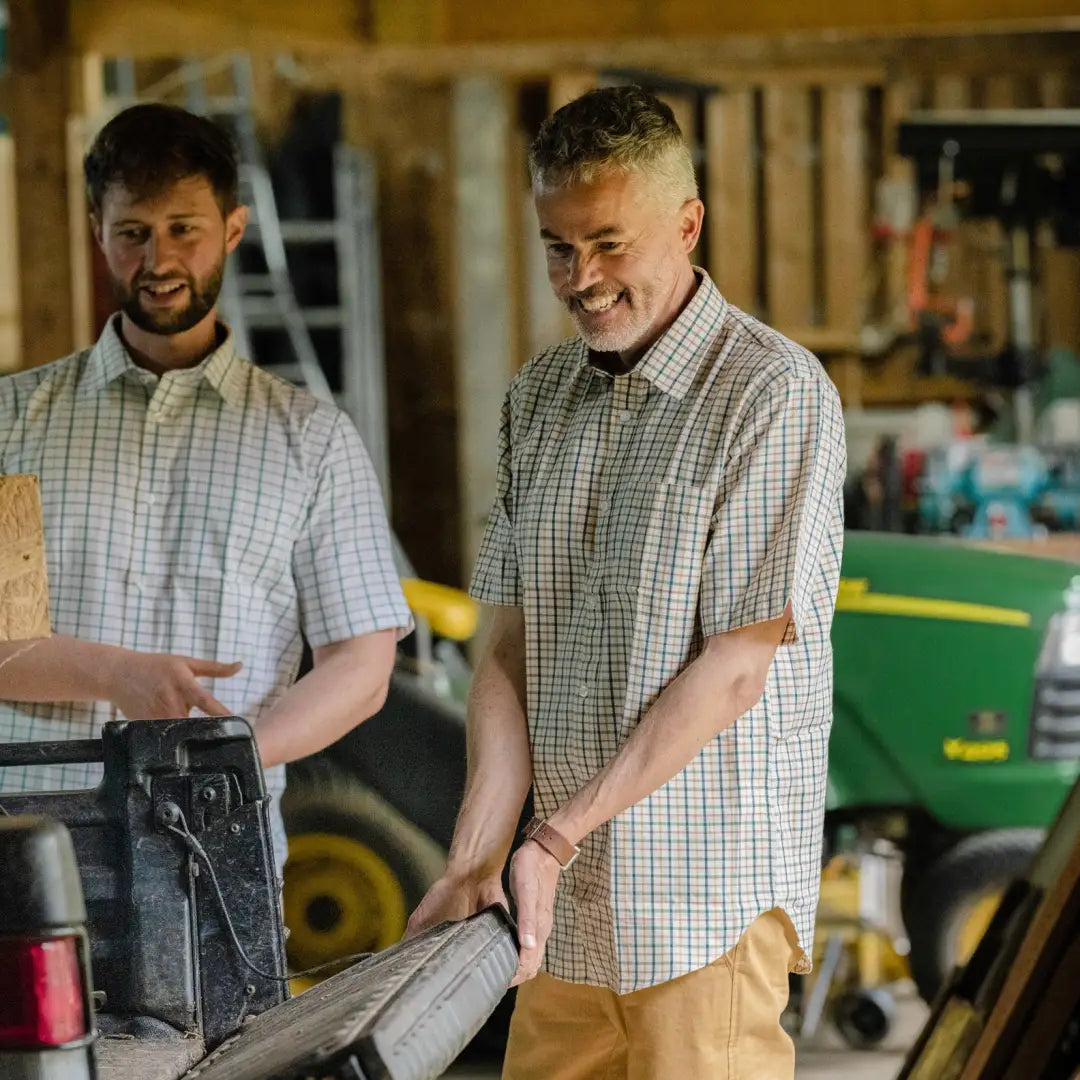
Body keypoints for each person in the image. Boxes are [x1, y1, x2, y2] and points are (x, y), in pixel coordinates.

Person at [406, 85, 846, 1079]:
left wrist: (551, 840)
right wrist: (481, 854)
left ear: (687, 224)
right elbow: (505, 652)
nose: (581, 278)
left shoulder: (771, 393)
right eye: (558, 246)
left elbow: (736, 666)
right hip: (559, 909)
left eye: (609, 244)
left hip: (705, 910)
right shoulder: (538, 397)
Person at [0, 103, 411, 871]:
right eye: (133, 233)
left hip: (217, 859)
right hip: (28, 847)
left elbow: (361, 663)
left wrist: (232, 757)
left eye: (184, 228)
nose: (159, 259)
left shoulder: (311, 441)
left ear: (232, 227)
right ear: (98, 233)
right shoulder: (12, 420)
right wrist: (115, 675)